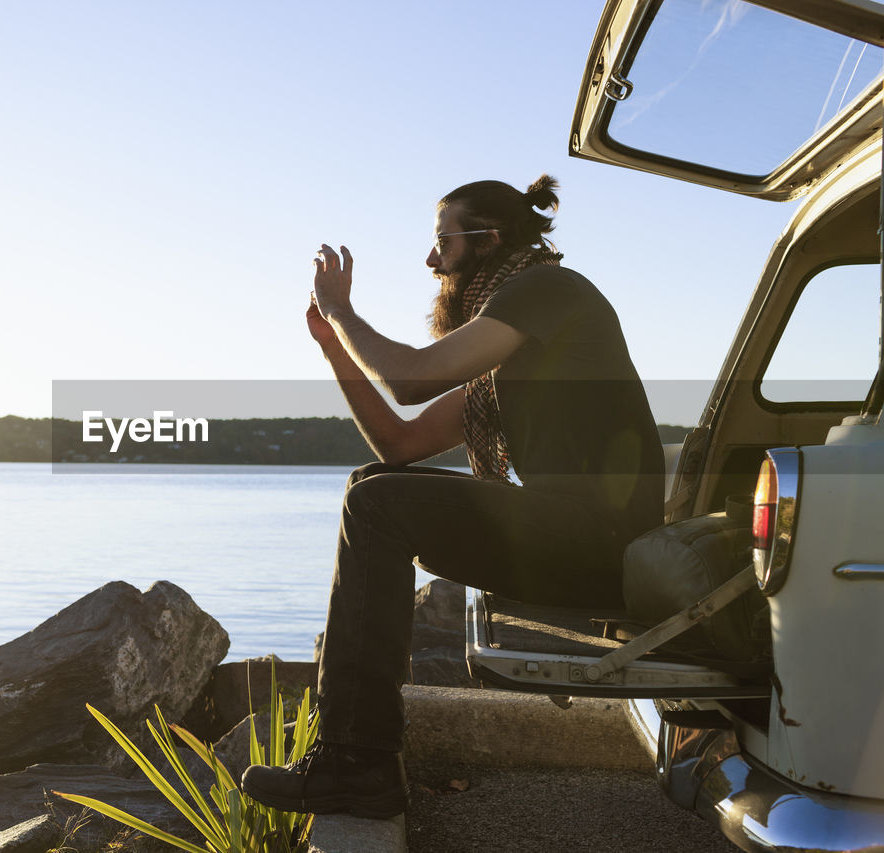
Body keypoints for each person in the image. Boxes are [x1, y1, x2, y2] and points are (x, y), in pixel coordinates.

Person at [240, 176, 664, 819]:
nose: (431, 260)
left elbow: (411, 380)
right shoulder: (514, 348)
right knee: (371, 488)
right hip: (576, 533)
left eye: (444, 242)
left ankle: (356, 762)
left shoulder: (547, 291)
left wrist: (341, 311)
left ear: (488, 241)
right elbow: (399, 444)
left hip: (602, 541)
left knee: (377, 505)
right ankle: (356, 758)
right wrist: (336, 350)